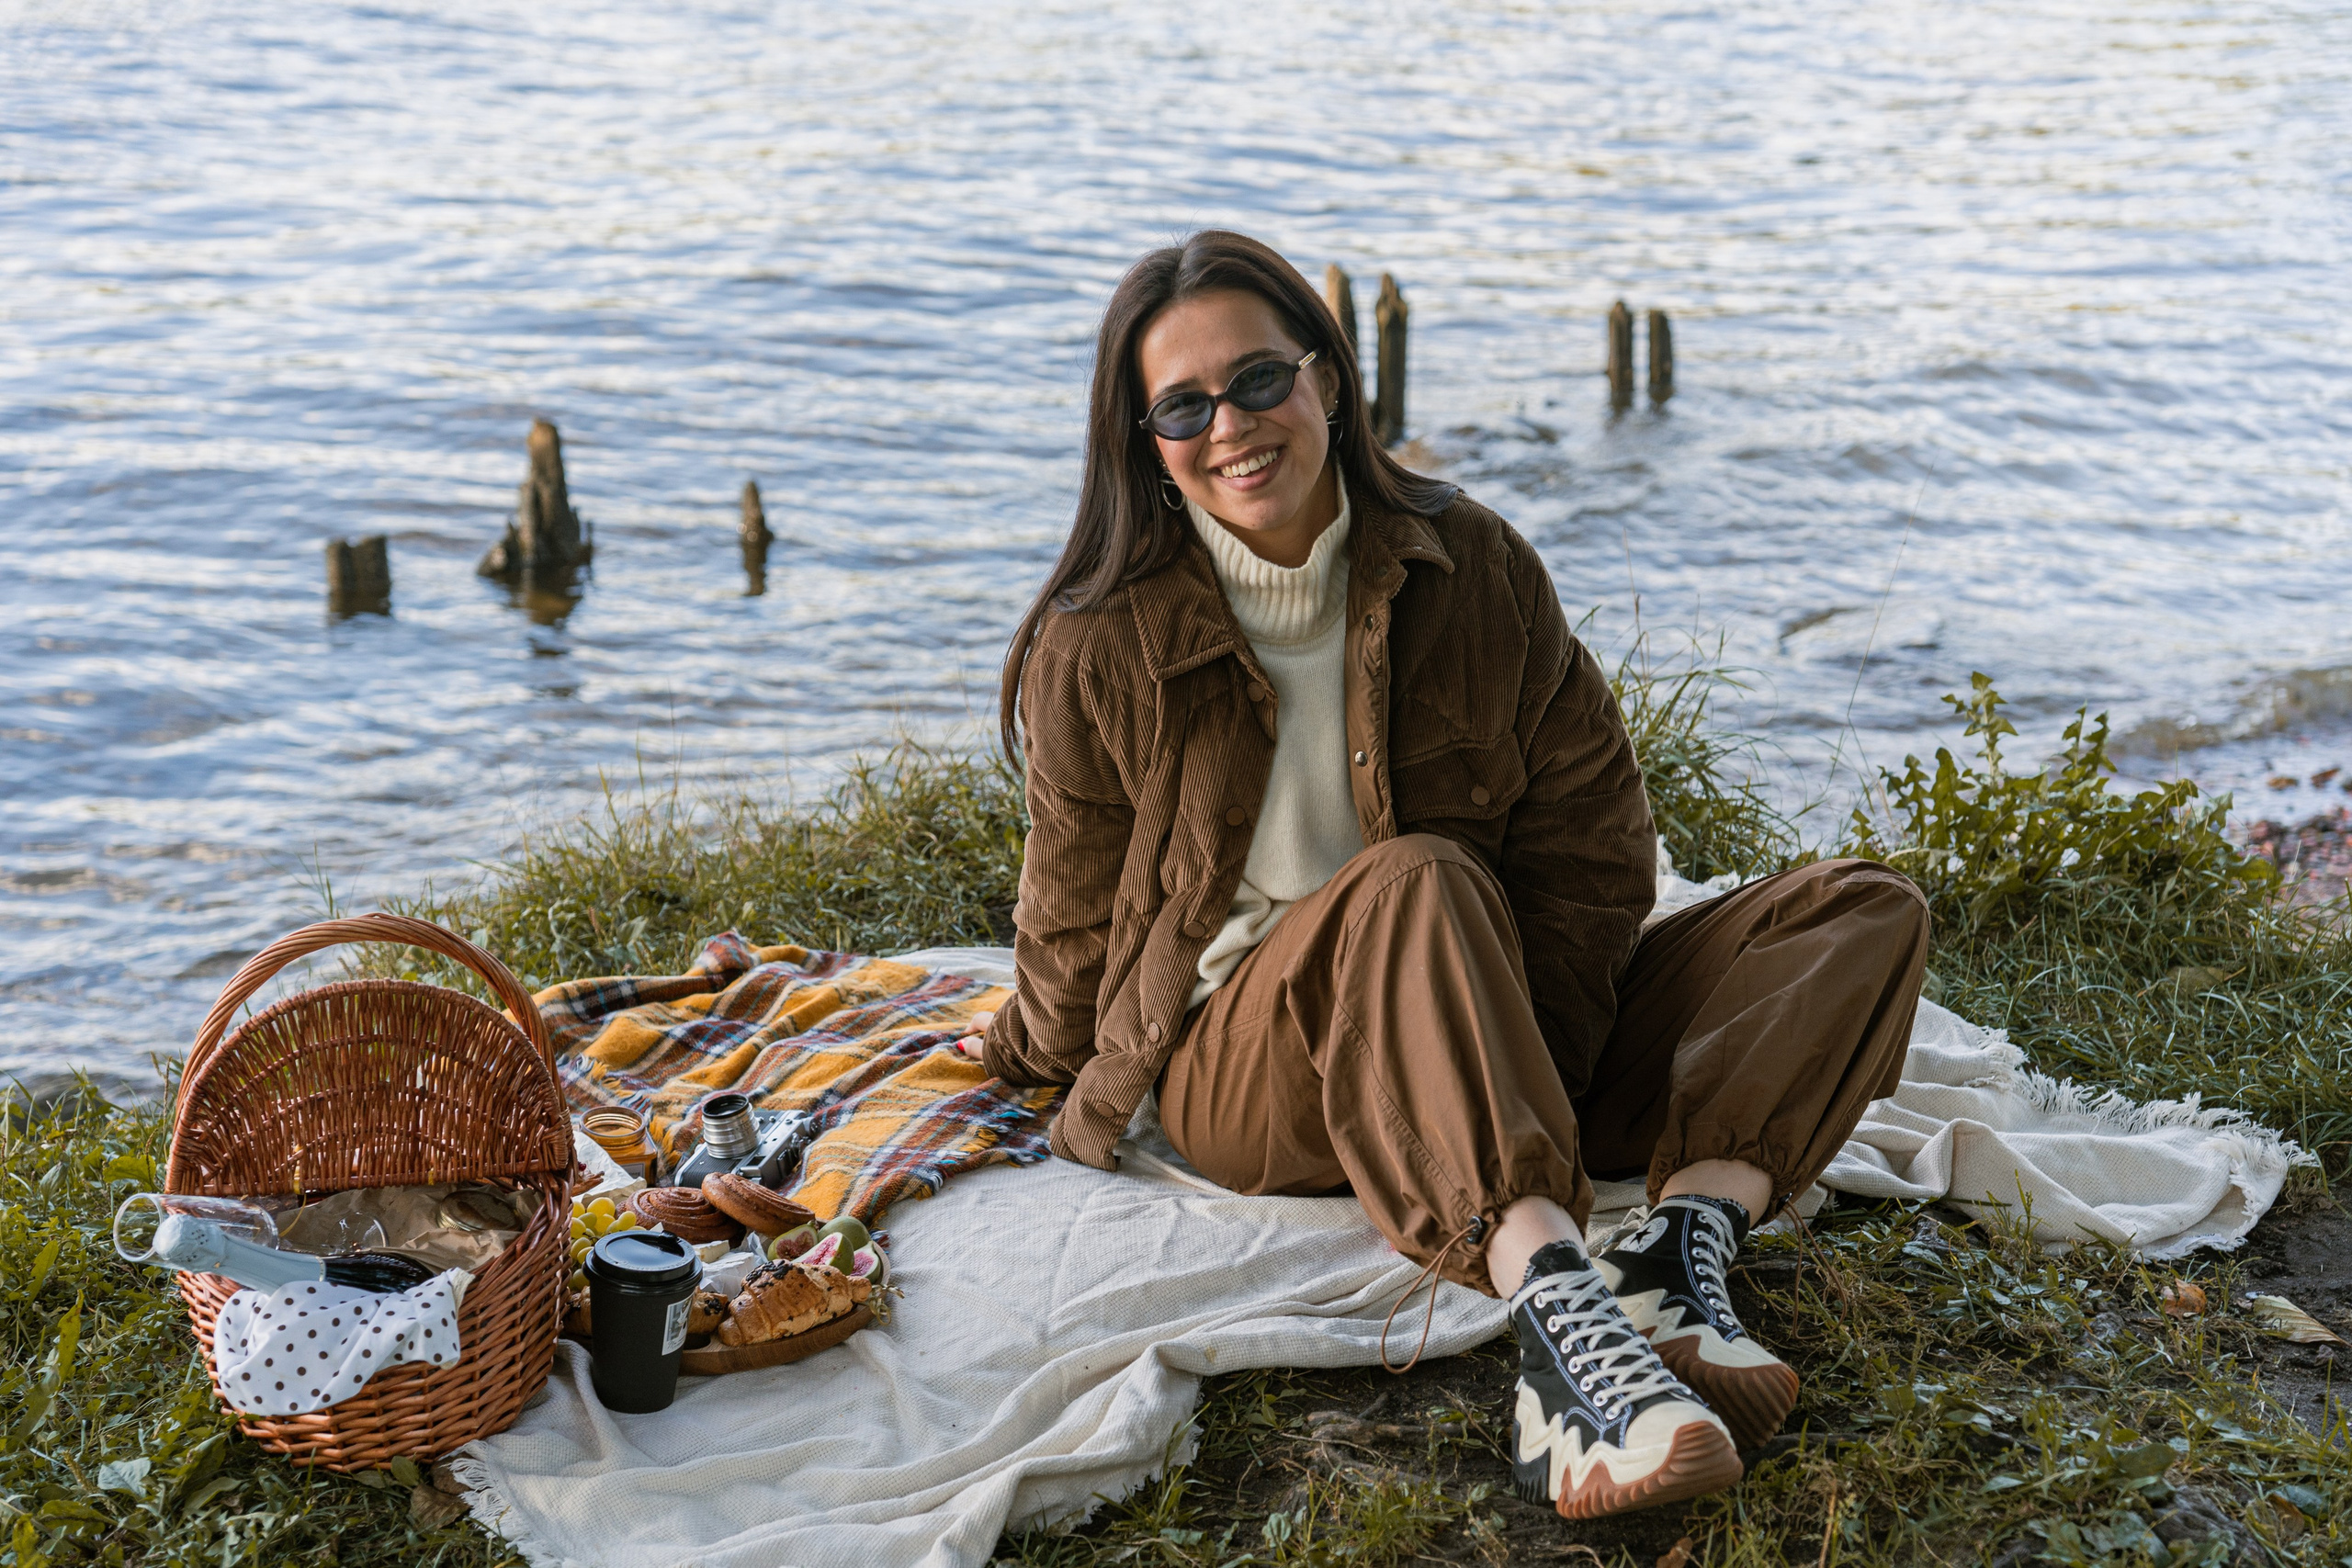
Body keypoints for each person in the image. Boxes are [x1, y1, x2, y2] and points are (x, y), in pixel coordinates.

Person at [954, 230, 1928, 1520]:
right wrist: (1020, 1054)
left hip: (1483, 1018)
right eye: (1182, 406)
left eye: (1258, 381)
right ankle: (1562, 1343)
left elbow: (1597, 846)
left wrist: (1536, 1054)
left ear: (1328, 378)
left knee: (1859, 914)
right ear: (1145, 441)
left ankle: (1680, 1256)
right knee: (1418, 879)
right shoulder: (1100, 644)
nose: (1230, 427)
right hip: (1253, 1073)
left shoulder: (1475, 565)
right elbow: (1070, 933)